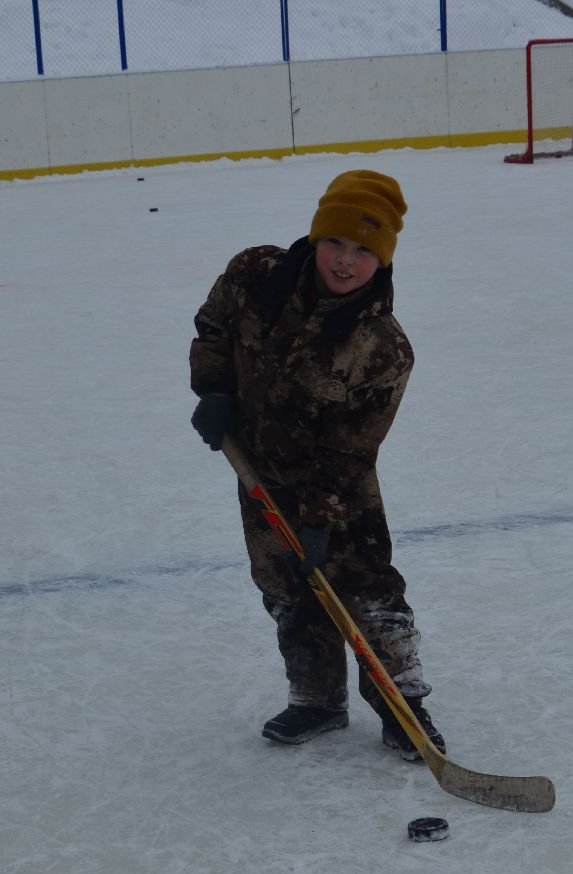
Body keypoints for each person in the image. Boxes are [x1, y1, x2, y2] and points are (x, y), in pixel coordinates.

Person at [188, 169, 445, 759]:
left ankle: (402, 706)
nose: (346, 261)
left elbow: (353, 449)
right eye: (336, 242)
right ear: (315, 236)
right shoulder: (256, 276)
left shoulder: (383, 348)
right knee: (284, 589)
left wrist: (320, 519)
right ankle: (317, 699)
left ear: (382, 260)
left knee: (366, 592)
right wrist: (215, 390)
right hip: (257, 469)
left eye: (363, 250)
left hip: (338, 487)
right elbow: (214, 326)